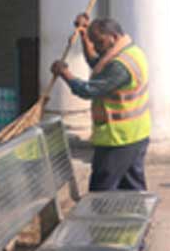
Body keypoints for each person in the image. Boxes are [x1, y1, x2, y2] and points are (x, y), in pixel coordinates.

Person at [50, 14, 152, 191]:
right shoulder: (130, 51)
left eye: (99, 42)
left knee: (101, 190)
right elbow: (96, 63)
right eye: (94, 43)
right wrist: (84, 36)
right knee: (132, 189)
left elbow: (89, 90)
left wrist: (65, 73)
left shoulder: (120, 66)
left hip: (118, 139)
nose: (96, 47)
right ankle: (135, 209)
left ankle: (101, 211)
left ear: (114, 37)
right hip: (136, 134)